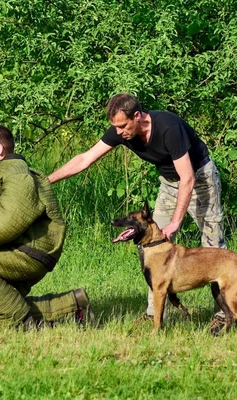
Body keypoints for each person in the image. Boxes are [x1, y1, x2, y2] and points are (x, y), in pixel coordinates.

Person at [48, 93, 227, 335]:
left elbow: (188, 178)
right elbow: (85, 159)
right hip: (169, 183)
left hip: (200, 179)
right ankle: (154, 314)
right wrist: (48, 180)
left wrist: (175, 222)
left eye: (122, 126)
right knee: (152, 248)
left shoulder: (169, 128)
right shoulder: (120, 130)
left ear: (138, 116)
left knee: (214, 247)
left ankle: (223, 316)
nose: (119, 132)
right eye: (115, 127)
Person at [0, 125, 93, 329]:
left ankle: (25, 324)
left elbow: (8, 220)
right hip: (26, 247)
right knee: (2, 302)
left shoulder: (17, 173)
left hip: (30, 251)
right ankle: (74, 306)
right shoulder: (8, 171)